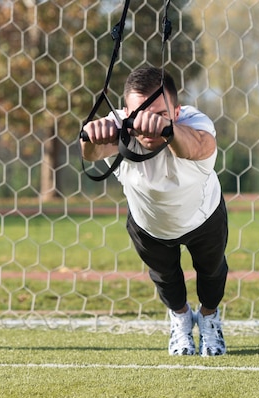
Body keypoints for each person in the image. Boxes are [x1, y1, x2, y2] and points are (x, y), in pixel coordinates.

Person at [81, 67, 228, 356]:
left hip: (203, 216)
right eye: (138, 115)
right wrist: (89, 138)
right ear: (125, 112)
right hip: (149, 224)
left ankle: (210, 318)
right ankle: (181, 319)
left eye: (158, 114)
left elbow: (198, 147)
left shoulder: (195, 123)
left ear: (177, 111)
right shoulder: (123, 126)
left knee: (211, 274)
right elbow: (93, 154)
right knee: (166, 279)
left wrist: (166, 130)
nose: (147, 124)